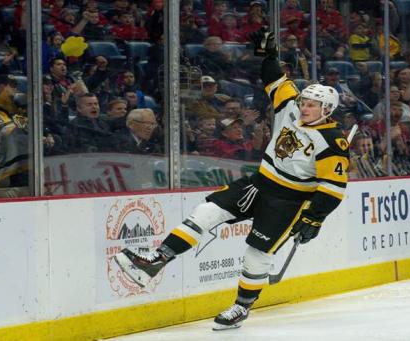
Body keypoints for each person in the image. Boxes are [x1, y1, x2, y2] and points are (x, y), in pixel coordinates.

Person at [113, 29, 349, 330]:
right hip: (259, 182)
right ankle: (156, 261)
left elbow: (333, 188)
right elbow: (275, 80)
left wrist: (314, 219)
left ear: (327, 109)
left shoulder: (332, 141)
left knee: (256, 254)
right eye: (304, 101)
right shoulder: (291, 106)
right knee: (205, 213)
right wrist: (270, 56)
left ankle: (241, 307)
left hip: (288, 200)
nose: (304, 107)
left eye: (312, 105)